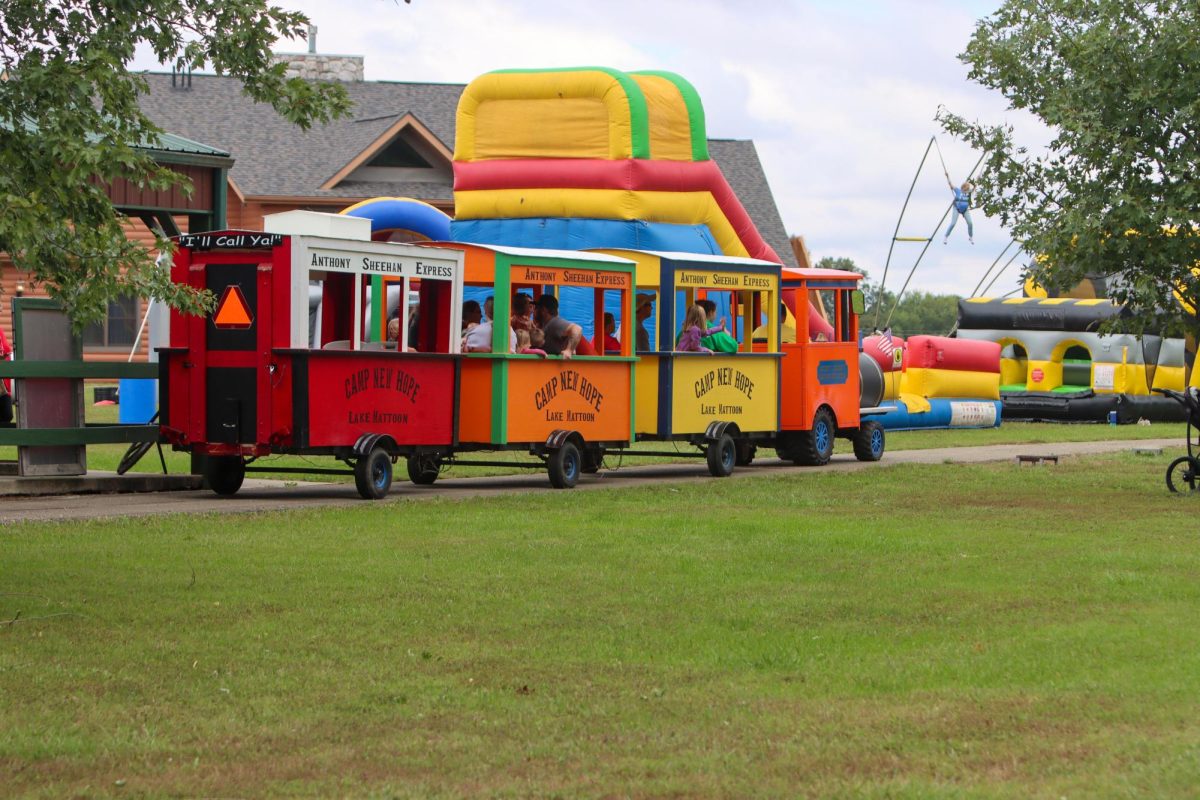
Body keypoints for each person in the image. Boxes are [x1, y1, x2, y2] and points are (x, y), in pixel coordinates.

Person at [533, 294, 582, 358]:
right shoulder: (543, 325)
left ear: (543, 310)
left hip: (559, 366)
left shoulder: (555, 323)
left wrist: (569, 350)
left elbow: (577, 329)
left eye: (536, 308)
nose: (534, 311)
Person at [943, 179, 974, 244]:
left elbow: (974, 187)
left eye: (967, 190)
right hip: (956, 208)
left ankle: (970, 237)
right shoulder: (958, 191)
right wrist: (948, 177)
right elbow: (951, 185)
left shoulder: (968, 192)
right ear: (962, 188)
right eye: (965, 190)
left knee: (970, 223)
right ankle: (946, 236)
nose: (966, 191)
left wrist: (978, 179)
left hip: (965, 210)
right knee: (953, 223)